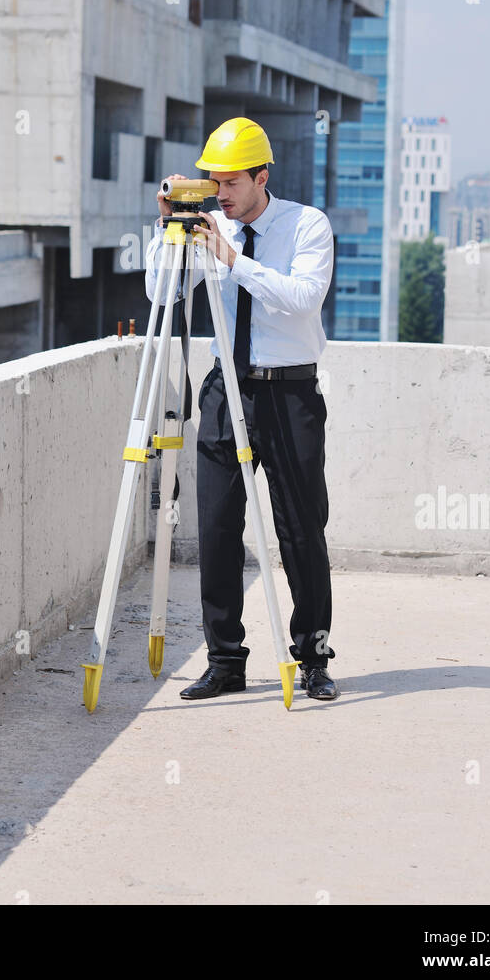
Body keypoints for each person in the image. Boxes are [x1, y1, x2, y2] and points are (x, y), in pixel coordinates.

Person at [144, 116, 339, 703]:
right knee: (218, 528)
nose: (221, 194)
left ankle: (313, 657)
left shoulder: (306, 225)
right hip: (227, 390)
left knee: (301, 530)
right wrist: (168, 229)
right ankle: (225, 660)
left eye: (231, 183)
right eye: (212, 182)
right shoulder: (206, 228)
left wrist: (231, 259)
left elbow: (302, 299)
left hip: (290, 393)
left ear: (261, 176)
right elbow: (160, 294)